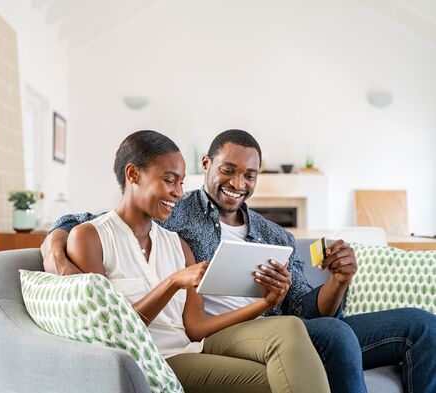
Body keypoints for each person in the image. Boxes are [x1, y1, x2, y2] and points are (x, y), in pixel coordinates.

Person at [43, 129, 436, 393]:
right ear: (207, 167)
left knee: (420, 325)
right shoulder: (180, 213)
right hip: (217, 339)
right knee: (332, 335)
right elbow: (98, 219)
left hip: (275, 327)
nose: (238, 183)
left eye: (250, 175)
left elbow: (304, 309)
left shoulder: (273, 235)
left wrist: (338, 280)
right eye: (228, 170)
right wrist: (55, 243)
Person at [63, 130, 330, 393]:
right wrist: (172, 282)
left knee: (291, 330)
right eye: (169, 180)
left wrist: (266, 302)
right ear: (133, 174)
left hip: (192, 348)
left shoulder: (177, 245)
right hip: (154, 361)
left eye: (181, 182)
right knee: (281, 377)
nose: (178, 193)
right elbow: (110, 332)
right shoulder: (89, 238)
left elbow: (195, 328)